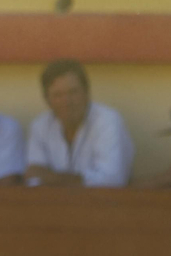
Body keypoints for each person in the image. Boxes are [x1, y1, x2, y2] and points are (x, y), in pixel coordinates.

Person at [24, 59, 134, 187]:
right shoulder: (40, 126)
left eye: (73, 92)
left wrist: (52, 177)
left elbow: (112, 180)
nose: (66, 101)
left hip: (103, 199)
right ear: (47, 100)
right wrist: (73, 180)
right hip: (53, 199)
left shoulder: (107, 121)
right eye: (58, 95)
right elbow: (33, 180)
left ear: (87, 93)